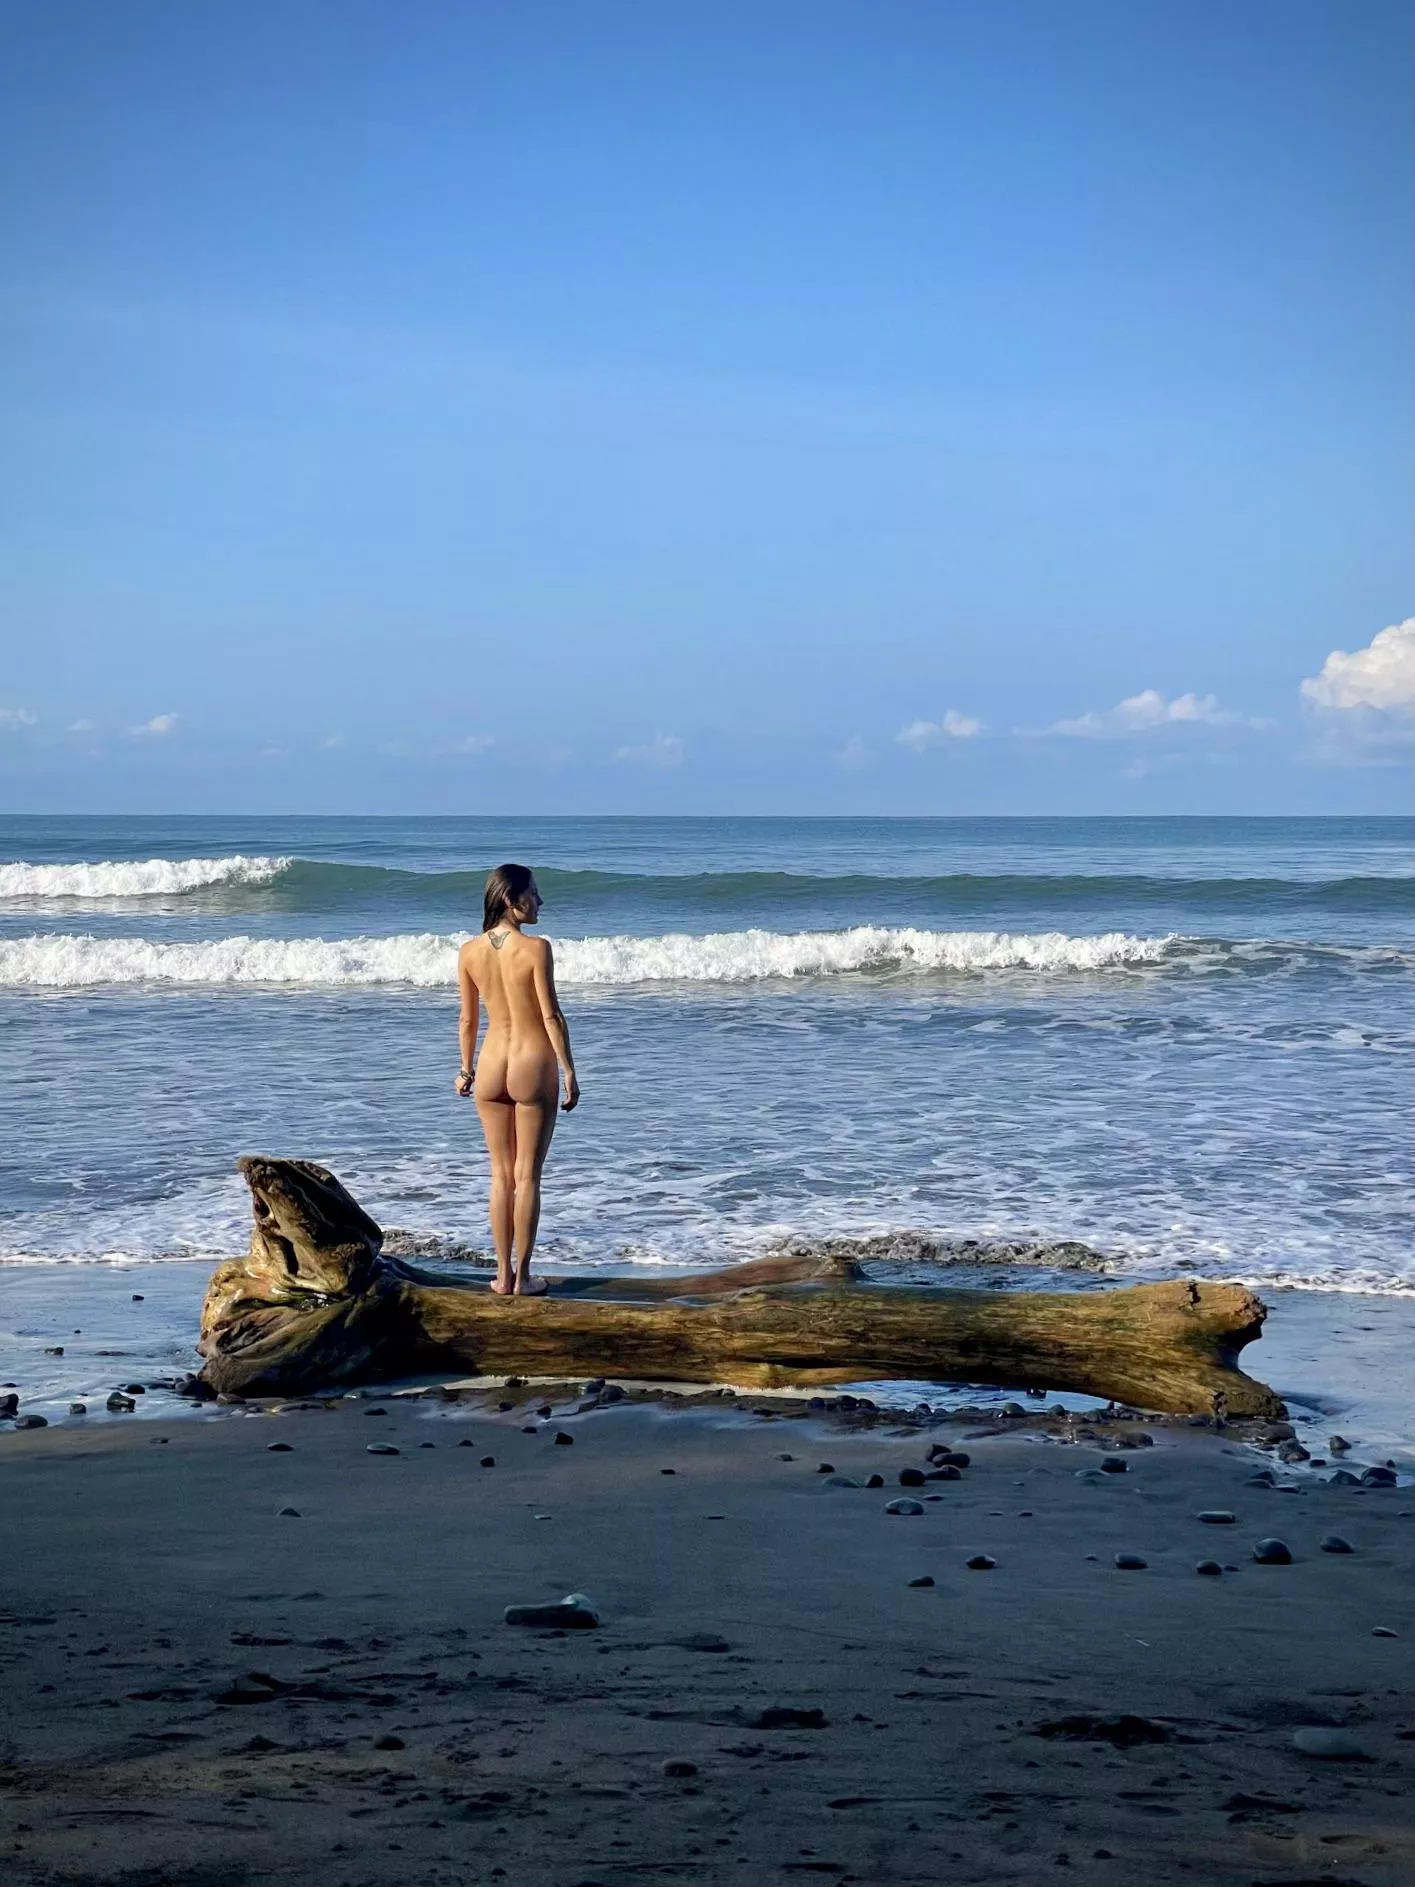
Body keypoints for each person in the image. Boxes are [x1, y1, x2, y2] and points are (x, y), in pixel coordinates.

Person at [455, 863, 580, 1295]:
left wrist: (465, 1069)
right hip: (531, 1062)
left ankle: (502, 1276)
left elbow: (468, 1019)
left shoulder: (469, 951)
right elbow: (551, 1016)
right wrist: (569, 1069)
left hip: (490, 1064)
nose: (540, 901)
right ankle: (523, 1278)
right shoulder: (536, 948)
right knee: (526, 1176)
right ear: (511, 899)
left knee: (500, 1175)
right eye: (534, 893)